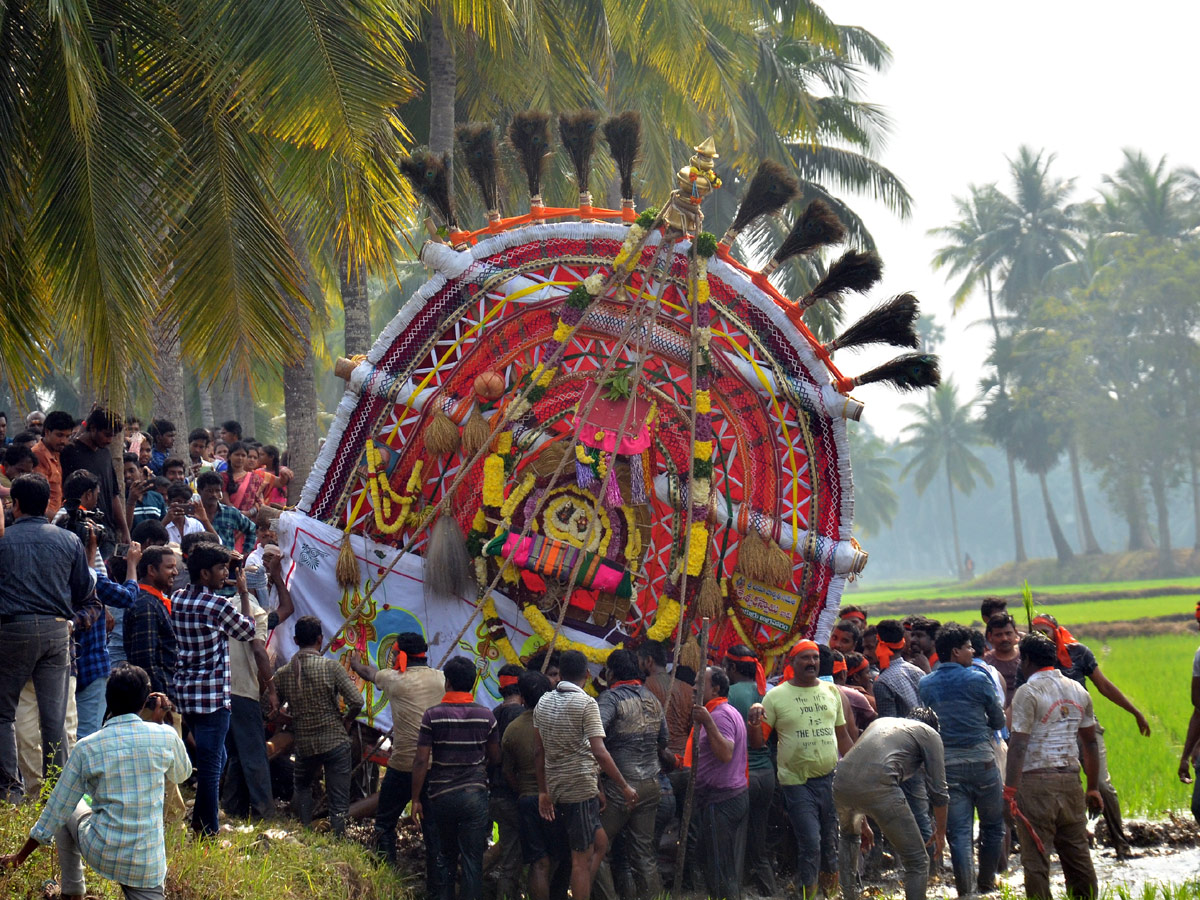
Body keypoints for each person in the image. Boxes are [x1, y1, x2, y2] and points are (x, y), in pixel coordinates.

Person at [0, 664, 191, 900]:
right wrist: (163, 723)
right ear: (145, 703)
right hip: (146, 862)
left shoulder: (87, 747)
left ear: (107, 699)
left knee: (69, 804)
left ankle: (72, 892)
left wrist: (20, 856)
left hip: (102, 850)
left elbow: (56, 808)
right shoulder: (164, 736)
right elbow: (182, 775)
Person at [0, 474, 94, 803]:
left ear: (16, 505)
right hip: (58, 632)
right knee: (54, 719)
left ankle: (10, 791)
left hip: (12, 630)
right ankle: (58, 795)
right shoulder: (69, 541)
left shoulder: (3, 540)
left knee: (4, 714)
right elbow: (85, 592)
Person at [1031, 612, 1147, 856]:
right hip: (1051, 733)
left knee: (1102, 786)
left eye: (1046, 632)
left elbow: (1103, 686)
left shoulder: (1078, 653)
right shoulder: (1031, 660)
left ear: (1056, 631)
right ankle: (1070, 847)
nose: (1042, 637)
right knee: (1061, 788)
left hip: (1083, 727)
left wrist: (1135, 712)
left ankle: (1120, 843)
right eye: (1037, 633)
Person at [534, 649, 637, 900]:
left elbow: (539, 752)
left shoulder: (543, 702)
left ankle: (577, 892)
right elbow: (599, 752)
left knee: (600, 843)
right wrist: (623, 786)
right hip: (579, 790)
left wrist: (543, 791)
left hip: (560, 789)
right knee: (581, 860)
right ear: (588, 675)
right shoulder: (587, 703)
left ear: (561, 675)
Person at [753, 639, 853, 900]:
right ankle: (807, 894)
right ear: (792, 663)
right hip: (796, 783)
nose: (812, 662)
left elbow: (842, 737)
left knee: (830, 844)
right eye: (805, 658)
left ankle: (831, 894)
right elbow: (758, 742)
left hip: (830, 780)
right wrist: (753, 722)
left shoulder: (831, 692)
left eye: (815, 657)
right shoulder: (775, 696)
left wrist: (854, 771)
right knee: (811, 841)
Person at [1005, 632, 1101, 900]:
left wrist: (1009, 792)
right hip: (1071, 781)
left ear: (1025, 661)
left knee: (1036, 862)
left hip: (1036, 784)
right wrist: (1092, 788)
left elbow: (1019, 745)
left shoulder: (1028, 692)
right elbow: (1091, 744)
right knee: (1078, 856)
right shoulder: (1078, 690)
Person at [172, 541, 257, 835]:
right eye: (221, 569)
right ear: (205, 573)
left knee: (216, 756)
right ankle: (207, 828)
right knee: (211, 764)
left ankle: (199, 817)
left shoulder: (179, 598)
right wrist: (244, 593)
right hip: (213, 694)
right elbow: (247, 629)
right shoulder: (217, 605)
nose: (226, 574)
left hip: (186, 690)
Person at [917, 623, 1006, 896]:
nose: (972, 651)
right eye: (969, 647)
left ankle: (965, 891)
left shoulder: (925, 684)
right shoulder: (978, 679)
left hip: (947, 767)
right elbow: (998, 719)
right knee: (992, 826)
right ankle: (987, 883)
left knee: (959, 834)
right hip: (983, 763)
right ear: (956, 652)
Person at [348, 632, 445, 872]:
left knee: (385, 822)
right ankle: (437, 888)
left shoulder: (394, 680)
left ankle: (387, 874)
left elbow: (369, 674)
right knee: (434, 831)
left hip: (404, 765)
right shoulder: (442, 678)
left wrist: (355, 663)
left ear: (401, 655)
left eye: (394, 654)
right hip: (436, 767)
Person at [834, 709, 949, 900]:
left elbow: (862, 770)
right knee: (918, 861)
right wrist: (941, 831)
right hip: (880, 784)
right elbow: (939, 791)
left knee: (848, 838)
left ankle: (849, 896)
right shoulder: (930, 734)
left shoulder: (882, 723)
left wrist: (862, 822)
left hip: (841, 781)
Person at [410, 655, 497, 900]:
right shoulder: (486, 716)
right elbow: (495, 756)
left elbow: (420, 760)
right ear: (472, 682)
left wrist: (416, 798)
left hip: (441, 796)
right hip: (474, 797)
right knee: (472, 860)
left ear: (447, 683)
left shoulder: (432, 715)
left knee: (444, 857)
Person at [275, 616, 362, 836]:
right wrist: (348, 720)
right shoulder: (331, 668)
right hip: (335, 742)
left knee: (302, 786)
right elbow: (357, 701)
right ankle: (339, 839)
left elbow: (270, 706)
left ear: (295, 640)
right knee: (339, 800)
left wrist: (289, 718)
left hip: (305, 745)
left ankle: (304, 832)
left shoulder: (284, 673)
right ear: (320, 640)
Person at [593, 649, 666, 900]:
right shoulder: (653, 699)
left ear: (611, 673)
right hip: (651, 784)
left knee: (597, 849)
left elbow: (594, 738)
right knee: (643, 854)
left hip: (620, 787)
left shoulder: (610, 698)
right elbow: (663, 741)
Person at [221, 572, 277, 821]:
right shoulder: (257, 613)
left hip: (221, 690)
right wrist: (272, 688)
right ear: (258, 589)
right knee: (254, 752)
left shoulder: (223, 607)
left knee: (234, 751)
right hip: (244, 689)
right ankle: (264, 812)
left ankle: (233, 807)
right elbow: (258, 650)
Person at [692, 665, 749, 900]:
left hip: (723, 800)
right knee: (713, 859)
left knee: (719, 866)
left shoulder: (720, 715)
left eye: (699, 683)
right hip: (724, 797)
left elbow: (725, 753)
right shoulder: (722, 711)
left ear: (715, 688)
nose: (694, 687)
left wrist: (708, 722)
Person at [724, 644, 776, 896]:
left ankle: (734, 892)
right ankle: (770, 891)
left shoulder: (727, 694)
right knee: (759, 842)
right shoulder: (768, 692)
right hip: (767, 774)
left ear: (732, 667)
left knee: (736, 841)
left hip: (741, 777)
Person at [503, 670, 558, 900]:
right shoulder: (560, 722)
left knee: (539, 862)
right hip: (559, 799)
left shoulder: (512, 730)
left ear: (522, 698)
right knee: (561, 858)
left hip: (528, 800)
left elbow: (508, 772)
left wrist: (524, 791)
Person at [60, 407, 130, 549]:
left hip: (107, 532)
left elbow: (113, 495)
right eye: (106, 435)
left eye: (113, 436)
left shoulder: (105, 454)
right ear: (92, 428)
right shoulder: (70, 452)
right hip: (81, 532)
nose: (110, 440)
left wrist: (125, 530)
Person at [486, 663, 527, 900]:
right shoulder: (522, 717)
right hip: (513, 793)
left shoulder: (493, 713)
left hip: (496, 792)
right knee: (512, 860)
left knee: (509, 848)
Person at [873, 619, 925, 718]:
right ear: (903, 643)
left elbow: (888, 723)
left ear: (877, 643)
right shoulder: (918, 672)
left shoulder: (882, 683)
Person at [194, 470, 256, 553]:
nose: (214, 495)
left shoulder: (231, 513)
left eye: (217, 491)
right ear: (199, 491)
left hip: (226, 562)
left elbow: (252, 529)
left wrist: (245, 553)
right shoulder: (193, 514)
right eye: (209, 491)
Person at [32, 410, 74, 514]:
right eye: (59, 435)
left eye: (67, 436)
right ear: (47, 432)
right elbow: (39, 498)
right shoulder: (37, 455)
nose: (63, 441)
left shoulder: (57, 452)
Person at [983, 613, 1020, 706]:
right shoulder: (985, 663)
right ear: (990, 637)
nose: (1004, 638)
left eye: (1008, 633)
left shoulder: (1027, 658)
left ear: (1016, 633)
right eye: (999, 635)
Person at [123, 452, 166, 532]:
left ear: (140, 471)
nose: (127, 475)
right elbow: (125, 531)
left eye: (131, 471)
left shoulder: (157, 497)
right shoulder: (120, 501)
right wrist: (131, 501)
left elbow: (163, 528)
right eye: (123, 472)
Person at [223, 441, 267, 519]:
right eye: (237, 455)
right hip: (227, 518)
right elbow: (224, 500)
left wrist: (249, 513)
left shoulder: (255, 478)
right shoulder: (223, 477)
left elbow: (260, 502)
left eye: (243, 455)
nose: (240, 458)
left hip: (248, 521)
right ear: (229, 456)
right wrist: (237, 513)